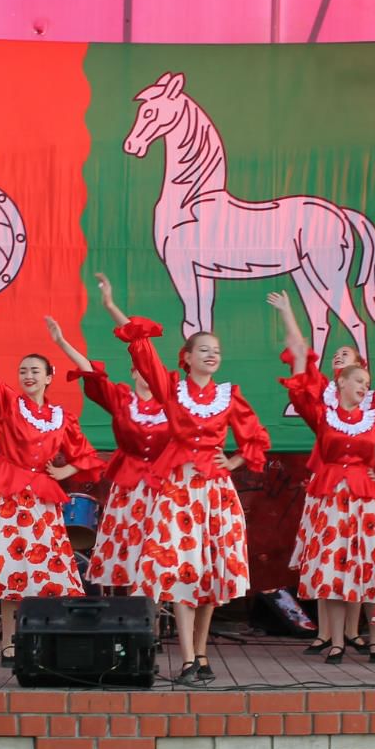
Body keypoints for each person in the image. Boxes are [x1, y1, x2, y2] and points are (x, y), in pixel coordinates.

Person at [107, 274, 270, 683]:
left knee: (211, 572)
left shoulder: (228, 394)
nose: (211, 355)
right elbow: (142, 352)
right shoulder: (172, 388)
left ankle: (201, 654)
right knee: (182, 571)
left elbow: (255, 436)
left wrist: (233, 463)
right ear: (188, 356)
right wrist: (114, 307)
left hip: (215, 491)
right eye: (204, 350)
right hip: (179, 491)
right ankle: (185, 657)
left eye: (216, 350)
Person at [0, 303, 104, 666]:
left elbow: (87, 457)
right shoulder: (9, 404)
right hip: (7, 496)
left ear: (50, 377)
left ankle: (39, 641)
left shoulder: (60, 418)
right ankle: (8, 644)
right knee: (9, 574)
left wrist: (65, 474)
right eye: (23, 371)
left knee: (42, 573)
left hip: (40, 503)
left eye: (35, 370)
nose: (28, 375)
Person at [268, 291, 375, 656]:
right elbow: (302, 361)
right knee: (329, 559)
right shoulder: (322, 402)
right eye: (337, 355)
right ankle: (331, 636)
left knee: (365, 561)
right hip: (329, 488)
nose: (340, 356)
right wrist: (289, 312)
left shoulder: (372, 407)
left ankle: (356, 633)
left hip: (361, 492)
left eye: (348, 355)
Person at [46, 300, 172, 597]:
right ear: (132, 372)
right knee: (128, 551)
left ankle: (154, 621)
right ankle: (129, 621)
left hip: (164, 485)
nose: (144, 373)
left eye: (149, 368)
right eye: (138, 369)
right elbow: (90, 371)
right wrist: (62, 342)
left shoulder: (172, 402)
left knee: (160, 550)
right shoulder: (121, 399)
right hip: (129, 485)